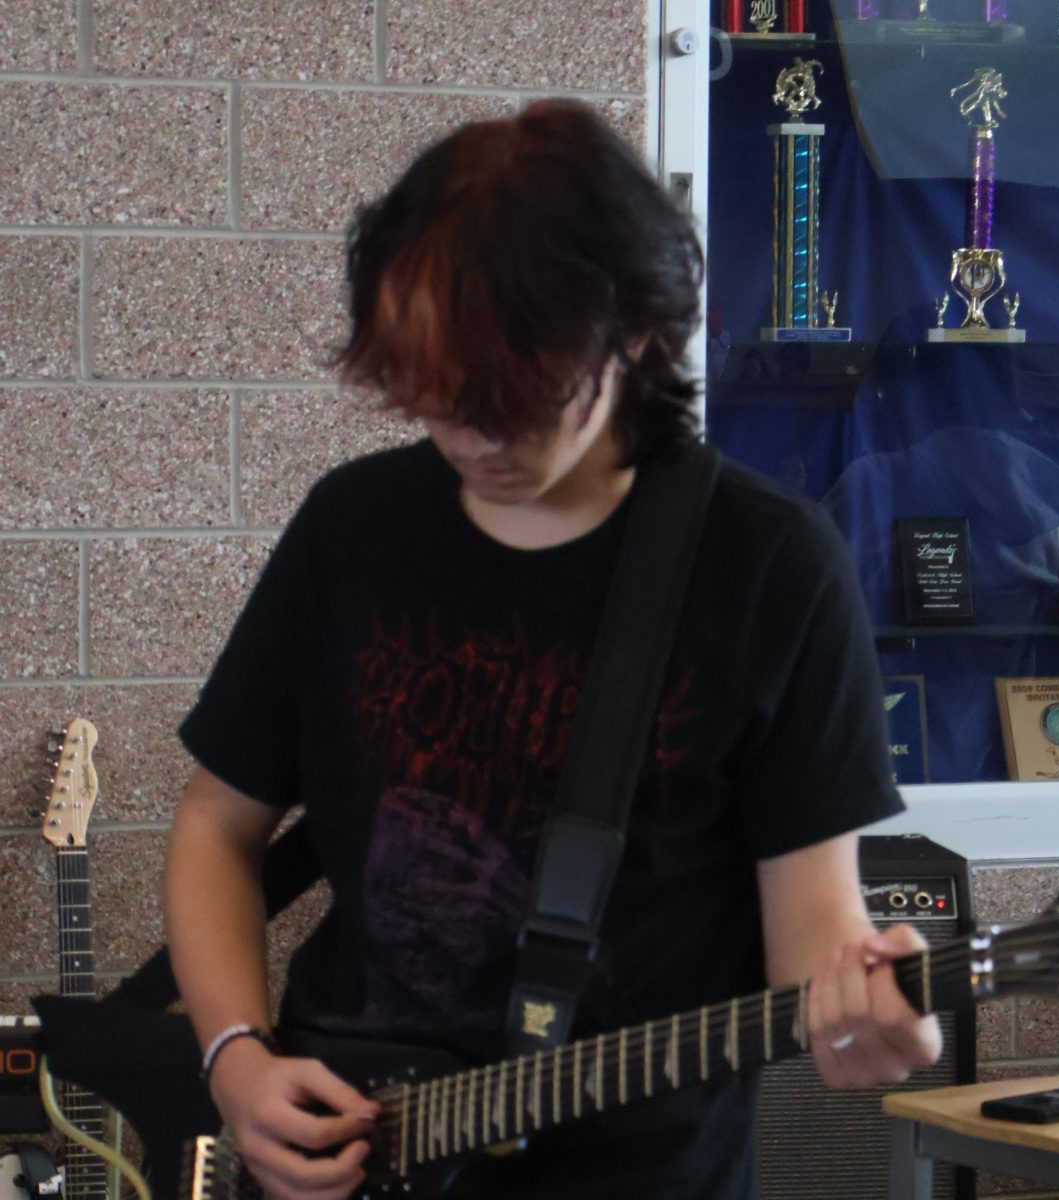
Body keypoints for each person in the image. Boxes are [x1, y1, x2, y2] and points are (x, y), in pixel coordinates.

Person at [163, 98, 941, 1200]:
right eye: (434, 400)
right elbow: (215, 824)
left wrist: (869, 1018)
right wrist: (235, 1060)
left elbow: (816, 942)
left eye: (513, 400)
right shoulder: (354, 527)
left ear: (632, 329)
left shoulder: (767, 564)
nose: (474, 440)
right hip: (339, 1157)